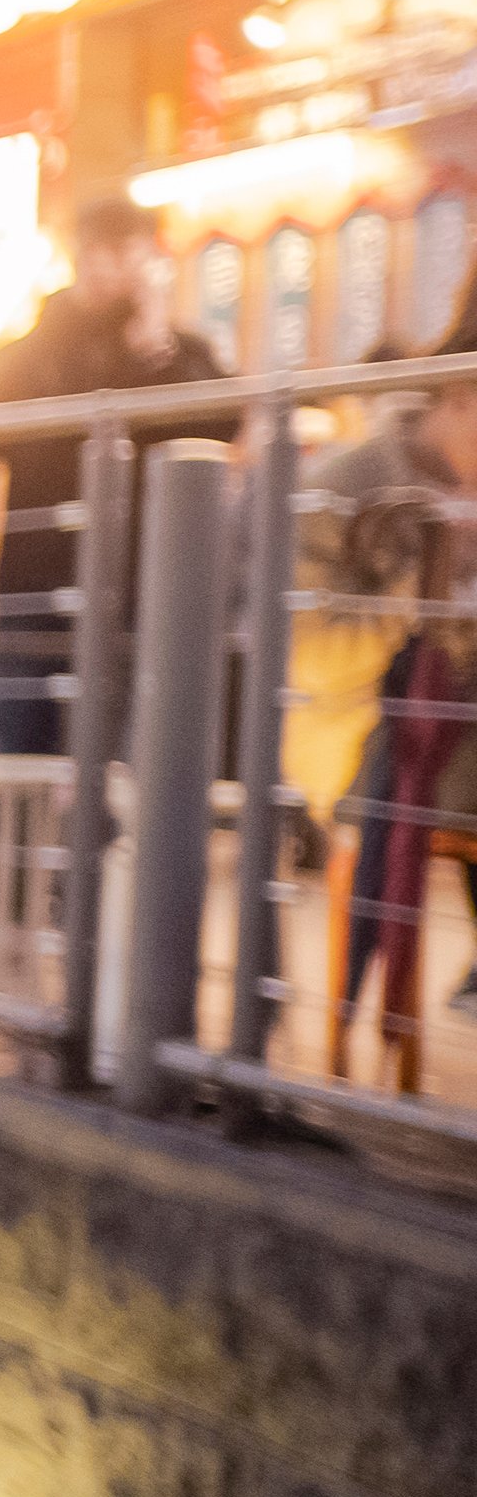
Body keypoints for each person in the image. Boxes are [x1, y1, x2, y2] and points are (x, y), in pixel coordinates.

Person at [0, 192, 234, 756]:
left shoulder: (179, 353)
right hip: (38, 592)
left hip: (145, 598)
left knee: (132, 762)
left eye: (125, 251)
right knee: (26, 756)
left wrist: (157, 352)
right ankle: (21, 848)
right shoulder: (26, 355)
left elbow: (222, 427)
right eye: (96, 250)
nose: (108, 265)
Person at [292, 366, 477, 1020]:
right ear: (457, 399)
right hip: (359, 733)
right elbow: (312, 655)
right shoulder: (343, 487)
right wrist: (424, 583)